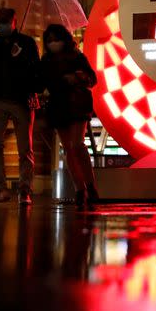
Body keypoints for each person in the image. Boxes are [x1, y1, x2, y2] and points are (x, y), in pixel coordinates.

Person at [0, 7, 41, 205]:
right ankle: (0, 187)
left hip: (21, 100)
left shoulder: (27, 43)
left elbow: (36, 70)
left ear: (14, 21)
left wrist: (20, 57)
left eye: (5, 21)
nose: (1, 25)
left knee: (25, 148)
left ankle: (24, 188)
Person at [38, 24, 99, 207]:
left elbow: (92, 79)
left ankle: (89, 186)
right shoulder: (46, 61)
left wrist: (77, 76)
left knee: (76, 145)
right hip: (59, 105)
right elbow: (41, 84)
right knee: (69, 149)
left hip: (76, 103)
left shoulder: (77, 56)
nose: (53, 43)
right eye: (49, 41)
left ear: (64, 39)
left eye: (56, 39)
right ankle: (81, 189)